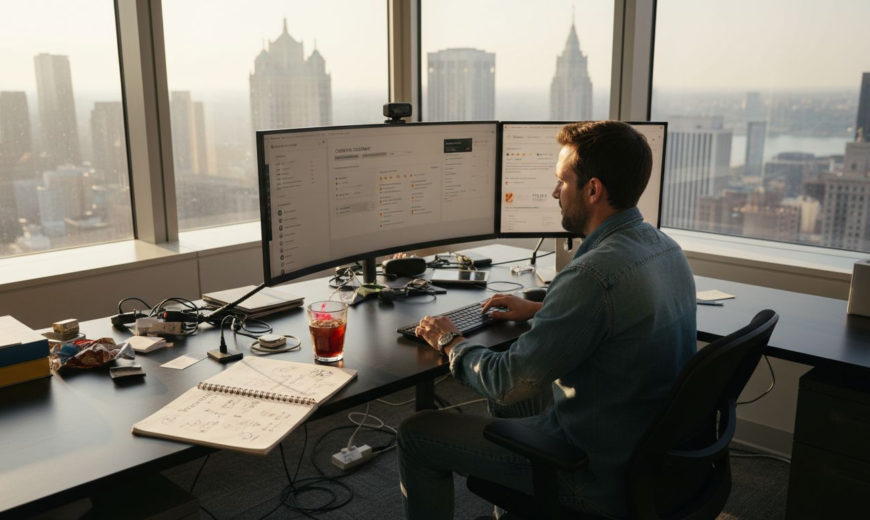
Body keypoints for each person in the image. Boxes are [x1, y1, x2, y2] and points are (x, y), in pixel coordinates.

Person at [397, 120, 697, 519]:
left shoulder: (591, 275)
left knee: (418, 432)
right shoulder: (665, 248)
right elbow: (623, 321)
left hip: (593, 475)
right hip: (650, 462)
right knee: (519, 405)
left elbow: (507, 383)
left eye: (562, 181)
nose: (555, 192)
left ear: (593, 190)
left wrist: (450, 341)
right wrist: (544, 310)